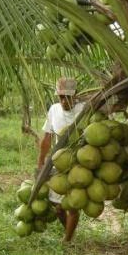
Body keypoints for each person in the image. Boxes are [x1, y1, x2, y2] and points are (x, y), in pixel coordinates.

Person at [37, 77, 84, 242]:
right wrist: (41, 162)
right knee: (58, 207)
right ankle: (69, 232)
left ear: (75, 94)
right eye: (61, 97)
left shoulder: (84, 109)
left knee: (72, 205)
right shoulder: (54, 110)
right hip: (60, 162)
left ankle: (68, 240)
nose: (64, 101)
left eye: (68, 96)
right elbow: (47, 138)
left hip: (80, 163)